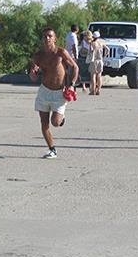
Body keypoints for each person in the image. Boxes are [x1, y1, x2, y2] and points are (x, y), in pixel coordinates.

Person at [27, 28, 79, 159]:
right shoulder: (38, 56)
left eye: (50, 36)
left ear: (55, 38)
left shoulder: (61, 53)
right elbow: (33, 76)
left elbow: (75, 67)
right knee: (44, 123)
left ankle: (61, 118)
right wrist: (33, 73)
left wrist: (72, 84)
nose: (47, 38)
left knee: (55, 122)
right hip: (44, 91)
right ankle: (52, 149)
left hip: (59, 93)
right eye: (45, 36)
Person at [86, 30, 105, 95]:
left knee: (93, 76)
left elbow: (91, 51)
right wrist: (104, 55)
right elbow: (107, 49)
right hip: (100, 60)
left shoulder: (92, 43)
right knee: (99, 75)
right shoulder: (102, 42)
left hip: (94, 61)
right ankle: (98, 90)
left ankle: (93, 90)